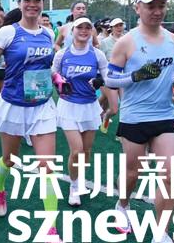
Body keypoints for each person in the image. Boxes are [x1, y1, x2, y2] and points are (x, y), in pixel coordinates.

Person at [0, 0, 63, 242]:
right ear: (20, 3)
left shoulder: (48, 34)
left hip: (42, 107)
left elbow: (45, 67)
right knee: (10, 160)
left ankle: (50, 228)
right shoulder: (8, 32)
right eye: (27, 0)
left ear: (42, 3)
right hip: (14, 106)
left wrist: (56, 78)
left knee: (47, 168)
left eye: (37, 0)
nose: (32, 4)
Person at [105, 0, 174, 243]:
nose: (157, 11)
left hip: (165, 115)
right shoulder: (126, 42)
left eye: (162, 5)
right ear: (137, 8)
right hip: (135, 117)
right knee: (133, 173)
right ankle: (122, 205)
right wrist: (136, 76)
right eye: (151, 6)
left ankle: (161, 233)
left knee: (170, 175)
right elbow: (110, 80)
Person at [52, 17, 109, 207]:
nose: (83, 31)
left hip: (89, 107)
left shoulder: (97, 54)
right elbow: (53, 73)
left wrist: (100, 81)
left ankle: (80, 177)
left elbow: (107, 76)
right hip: (68, 106)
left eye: (87, 27)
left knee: (86, 151)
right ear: (73, 31)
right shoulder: (62, 54)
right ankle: (74, 185)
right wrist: (58, 80)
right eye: (80, 27)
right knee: (76, 151)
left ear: (92, 31)